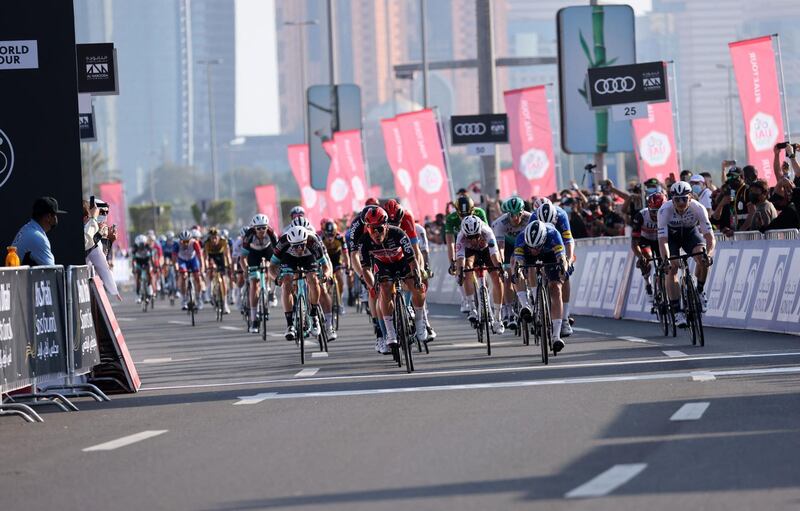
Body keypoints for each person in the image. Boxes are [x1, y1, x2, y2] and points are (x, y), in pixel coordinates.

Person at [358, 207, 428, 353]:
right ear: (368, 228)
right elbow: (365, 269)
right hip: (382, 265)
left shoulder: (398, 233)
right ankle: (390, 332)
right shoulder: (364, 241)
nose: (376, 234)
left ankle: (420, 320)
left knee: (416, 286)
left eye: (379, 229)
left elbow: (412, 259)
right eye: (372, 230)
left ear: (386, 225)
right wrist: (372, 285)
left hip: (401, 261)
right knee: (384, 289)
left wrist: (417, 275)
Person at [658, 181, 715, 328]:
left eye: (684, 198)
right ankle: (677, 311)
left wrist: (708, 254)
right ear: (672, 199)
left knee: (702, 258)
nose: (681, 202)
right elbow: (663, 241)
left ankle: (700, 291)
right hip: (672, 238)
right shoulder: (664, 210)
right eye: (677, 199)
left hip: (690, 234)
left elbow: (710, 238)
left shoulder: (698, 208)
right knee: (673, 268)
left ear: (690, 197)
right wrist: (666, 260)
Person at [512, 220, 568, 353]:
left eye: (536, 247)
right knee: (525, 270)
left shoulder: (553, 234)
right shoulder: (521, 238)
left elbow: (562, 258)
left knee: (556, 288)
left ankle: (556, 336)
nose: (534, 250)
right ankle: (530, 303)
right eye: (532, 247)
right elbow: (518, 261)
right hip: (527, 257)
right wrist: (518, 271)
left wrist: (563, 269)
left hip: (550, 254)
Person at [269, 225, 330, 341]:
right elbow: (271, 267)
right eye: (296, 246)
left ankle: (313, 315)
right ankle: (290, 324)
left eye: (302, 245)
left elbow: (326, 266)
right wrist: (276, 278)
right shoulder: (283, 243)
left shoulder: (313, 241)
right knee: (286, 283)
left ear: (306, 240)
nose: (299, 249)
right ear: (290, 243)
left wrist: (326, 276)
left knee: (313, 279)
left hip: (309, 258)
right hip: (289, 258)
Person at [455, 214, 506, 334]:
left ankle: (498, 318)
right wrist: (460, 273)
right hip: (470, 253)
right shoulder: (461, 237)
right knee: (466, 270)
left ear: (480, 232)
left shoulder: (487, 231)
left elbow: (494, 255)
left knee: (497, 277)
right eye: (470, 237)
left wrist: (499, 268)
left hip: (487, 251)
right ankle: (472, 307)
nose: (473, 240)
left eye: (476, 236)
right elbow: (460, 259)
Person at [532, 200, 575, 336]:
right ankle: (538, 307)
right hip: (539, 244)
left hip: (558, 243)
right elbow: (528, 243)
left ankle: (565, 318)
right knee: (531, 267)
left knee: (564, 273)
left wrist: (567, 260)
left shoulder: (561, 215)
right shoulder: (534, 218)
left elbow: (568, 241)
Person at [492, 196, 531, 328]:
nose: (515, 218)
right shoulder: (501, 223)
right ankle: (509, 310)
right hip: (507, 247)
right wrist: (502, 264)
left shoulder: (530, 218)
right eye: (511, 215)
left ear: (522, 212)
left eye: (518, 214)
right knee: (508, 277)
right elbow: (500, 248)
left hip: (525, 244)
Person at [241, 214, 279, 333]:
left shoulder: (271, 234)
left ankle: (272, 293)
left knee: (273, 269)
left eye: (264, 227)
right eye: (259, 228)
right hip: (254, 254)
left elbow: (279, 253)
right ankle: (254, 320)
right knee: (254, 283)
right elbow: (242, 257)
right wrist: (246, 269)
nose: (262, 230)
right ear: (254, 228)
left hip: (268, 251)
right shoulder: (249, 236)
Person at [11, 197, 67, 266]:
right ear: (49, 217)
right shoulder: (37, 237)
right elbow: (52, 271)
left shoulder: (27, 228)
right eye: (55, 215)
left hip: (15, 276)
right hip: (18, 276)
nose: (56, 218)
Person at [631, 192, 664, 296]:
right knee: (647, 258)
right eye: (654, 211)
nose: (656, 215)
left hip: (660, 239)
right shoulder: (641, 216)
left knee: (665, 261)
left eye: (660, 212)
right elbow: (634, 242)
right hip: (645, 240)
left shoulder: (668, 214)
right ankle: (647, 281)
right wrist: (640, 256)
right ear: (649, 208)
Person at [711, 166, 749, 235]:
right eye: (729, 177)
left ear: (742, 177)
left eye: (734, 177)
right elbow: (715, 218)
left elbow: (752, 213)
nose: (731, 179)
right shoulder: (728, 193)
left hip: (747, 235)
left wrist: (738, 232)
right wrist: (722, 203)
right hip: (731, 238)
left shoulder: (746, 190)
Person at [203, 227, 232, 314]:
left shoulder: (224, 242)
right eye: (212, 238)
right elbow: (206, 257)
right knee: (210, 272)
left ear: (219, 237)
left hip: (220, 257)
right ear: (210, 238)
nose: (214, 239)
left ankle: (225, 303)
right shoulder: (207, 243)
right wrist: (207, 267)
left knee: (223, 280)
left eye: (216, 237)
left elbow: (227, 255)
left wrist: (229, 265)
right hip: (212, 257)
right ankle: (210, 292)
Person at [176, 229, 205, 310]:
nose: (185, 243)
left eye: (187, 241)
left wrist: (202, 268)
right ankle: (184, 300)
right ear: (180, 240)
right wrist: (176, 268)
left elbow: (200, 256)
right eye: (183, 241)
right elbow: (174, 258)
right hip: (182, 261)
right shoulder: (176, 244)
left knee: (197, 277)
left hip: (193, 260)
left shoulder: (194, 243)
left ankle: (198, 299)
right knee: (184, 276)